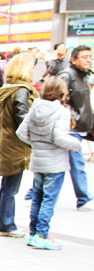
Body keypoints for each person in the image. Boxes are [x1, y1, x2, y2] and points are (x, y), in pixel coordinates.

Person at [16, 77, 81, 249]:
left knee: (37, 197)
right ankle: (41, 235)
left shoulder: (36, 108)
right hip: (55, 162)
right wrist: (76, 144)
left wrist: (36, 144)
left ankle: (33, 233)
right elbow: (59, 137)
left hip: (38, 160)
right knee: (49, 199)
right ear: (62, 92)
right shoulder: (61, 112)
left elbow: (21, 132)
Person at [0, 54, 38, 237]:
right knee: (11, 186)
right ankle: (6, 225)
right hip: (16, 144)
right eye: (31, 67)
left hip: (7, 140)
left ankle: (3, 223)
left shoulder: (10, 89)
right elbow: (23, 119)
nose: (33, 71)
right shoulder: (21, 91)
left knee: (8, 185)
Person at [56, 45, 92, 209]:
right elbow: (60, 100)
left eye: (90, 57)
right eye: (84, 57)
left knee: (59, 164)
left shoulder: (86, 75)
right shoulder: (66, 75)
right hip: (71, 127)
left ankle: (34, 193)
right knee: (76, 163)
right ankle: (84, 197)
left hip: (83, 125)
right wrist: (73, 118)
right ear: (74, 59)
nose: (88, 60)